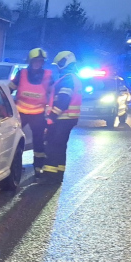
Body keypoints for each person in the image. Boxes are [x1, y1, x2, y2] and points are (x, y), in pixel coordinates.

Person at [9, 48, 53, 176]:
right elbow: (9, 89)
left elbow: (53, 94)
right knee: (13, 139)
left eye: (40, 61)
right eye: (35, 61)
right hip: (20, 113)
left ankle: (38, 168)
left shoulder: (48, 75)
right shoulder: (21, 74)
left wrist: (51, 112)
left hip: (38, 114)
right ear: (30, 61)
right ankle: (14, 165)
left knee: (38, 142)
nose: (37, 63)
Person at [43, 50, 82, 183]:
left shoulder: (67, 79)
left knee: (53, 146)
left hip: (62, 119)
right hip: (68, 118)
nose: (58, 67)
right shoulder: (72, 77)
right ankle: (58, 174)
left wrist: (52, 117)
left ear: (65, 62)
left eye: (59, 64)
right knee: (60, 146)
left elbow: (63, 100)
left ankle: (50, 177)